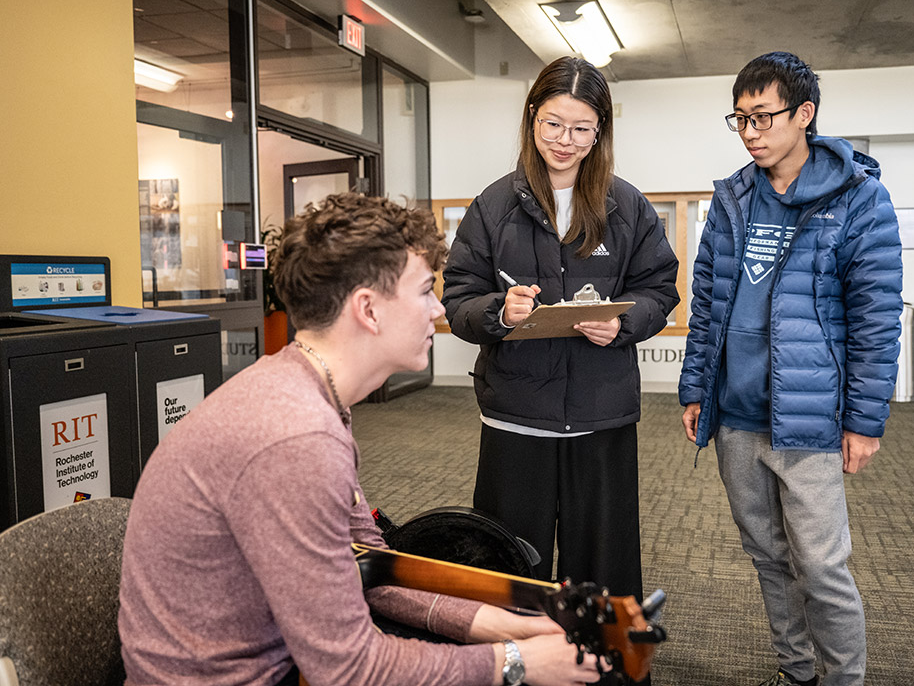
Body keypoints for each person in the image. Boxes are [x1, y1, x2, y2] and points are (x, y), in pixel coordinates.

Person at [118, 193, 602, 686]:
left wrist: (500, 625)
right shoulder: (296, 437)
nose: (437, 307)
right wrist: (516, 663)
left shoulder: (305, 387)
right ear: (368, 310)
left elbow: (368, 560)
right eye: (423, 292)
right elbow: (348, 669)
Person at [679, 52, 903, 686]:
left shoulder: (859, 201)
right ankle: (796, 670)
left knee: (822, 566)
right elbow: (708, 303)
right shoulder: (730, 200)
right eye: (739, 119)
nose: (750, 131)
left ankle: (843, 679)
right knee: (767, 557)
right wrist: (698, 386)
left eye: (762, 117)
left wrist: (864, 420)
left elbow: (876, 322)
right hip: (736, 418)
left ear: (804, 114)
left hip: (808, 421)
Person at [441, 57, 679, 610]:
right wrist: (502, 312)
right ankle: (516, 663)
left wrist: (624, 322)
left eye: (580, 128)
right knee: (511, 567)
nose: (564, 141)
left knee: (603, 568)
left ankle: (605, 667)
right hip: (516, 414)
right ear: (531, 119)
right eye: (552, 124)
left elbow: (659, 287)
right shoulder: (493, 206)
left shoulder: (627, 205)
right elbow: (459, 300)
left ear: (600, 132)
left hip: (601, 414)